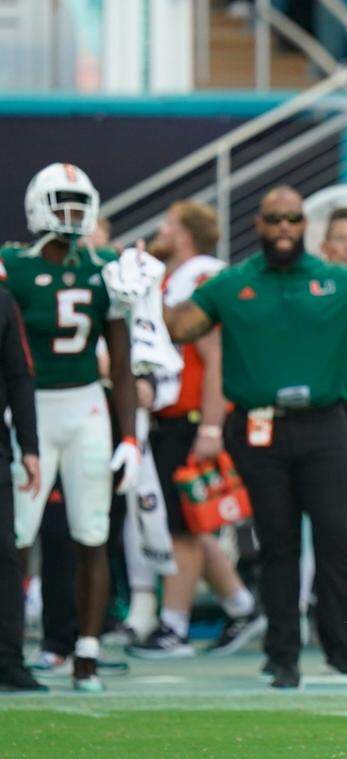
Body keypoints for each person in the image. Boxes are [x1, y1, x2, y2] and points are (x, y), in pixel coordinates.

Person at [154, 185, 347, 689]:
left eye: (293, 219)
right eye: (275, 220)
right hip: (259, 425)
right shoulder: (233, 283)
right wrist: (142, 291)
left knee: (339, 541)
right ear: (259, 225)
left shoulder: (337, 281)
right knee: (277, 544)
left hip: (324, 423)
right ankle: (283, 658)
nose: (285, 228)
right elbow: (180, 326)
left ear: (305, 226)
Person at [4, 163, 140, 692]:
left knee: (92, 532)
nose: (70, 213)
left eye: (78, 201)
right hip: (30, 406)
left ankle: (87, 649)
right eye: (60, 201)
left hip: (86, 405)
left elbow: (123, 357)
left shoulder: (107, 265)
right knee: (15, 534)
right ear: (38, 204)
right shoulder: (12, 265)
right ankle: (9, 646)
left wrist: (128, 434)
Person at [125, 201, 265, 659]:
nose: (160, 230)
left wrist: (209, 424)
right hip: (171, 416)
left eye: (167, 224)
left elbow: (216, 353)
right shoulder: (177, 274)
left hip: (192, 421)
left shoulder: (200, 275)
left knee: (183, 530)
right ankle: (242, 605)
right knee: (193, 525)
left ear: (186, 234)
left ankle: (175, 626)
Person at [0, 283, 43, 691]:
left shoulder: (2, 299)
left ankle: (8, 660)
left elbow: (20, 375)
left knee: (5, 556)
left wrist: (30, 446)